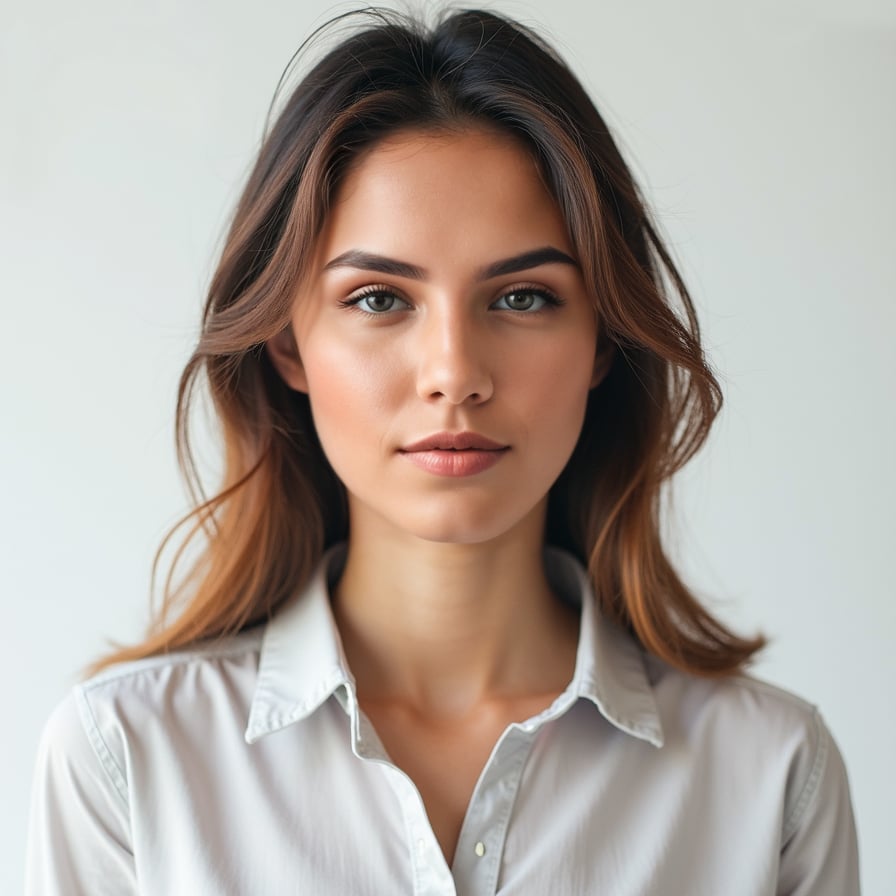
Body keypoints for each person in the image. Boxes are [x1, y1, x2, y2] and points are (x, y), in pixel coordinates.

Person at [26, 7, 860, 894]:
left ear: (603, 342)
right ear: (287, 345)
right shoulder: (127, 763)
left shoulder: (772, 776)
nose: (454, 374)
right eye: (380, 299)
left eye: (524, 298)